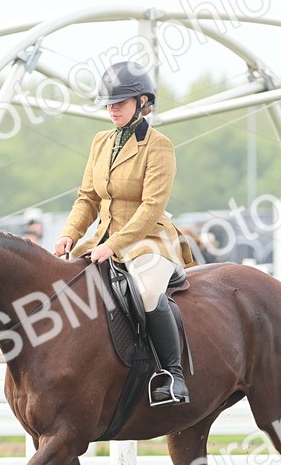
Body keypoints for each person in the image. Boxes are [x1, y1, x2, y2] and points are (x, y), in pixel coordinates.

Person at [53, 60, 194, 406]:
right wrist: (70, 233)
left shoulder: (158, 145)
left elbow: (151, 207)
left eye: (120, 103)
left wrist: (115, 245)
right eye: (109, 104)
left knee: (146, 291)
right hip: (102, 238)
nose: (112, 109)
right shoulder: (101, 142)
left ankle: (171, 375)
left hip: (149, 239)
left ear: (142, 102)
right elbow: (87, 197)